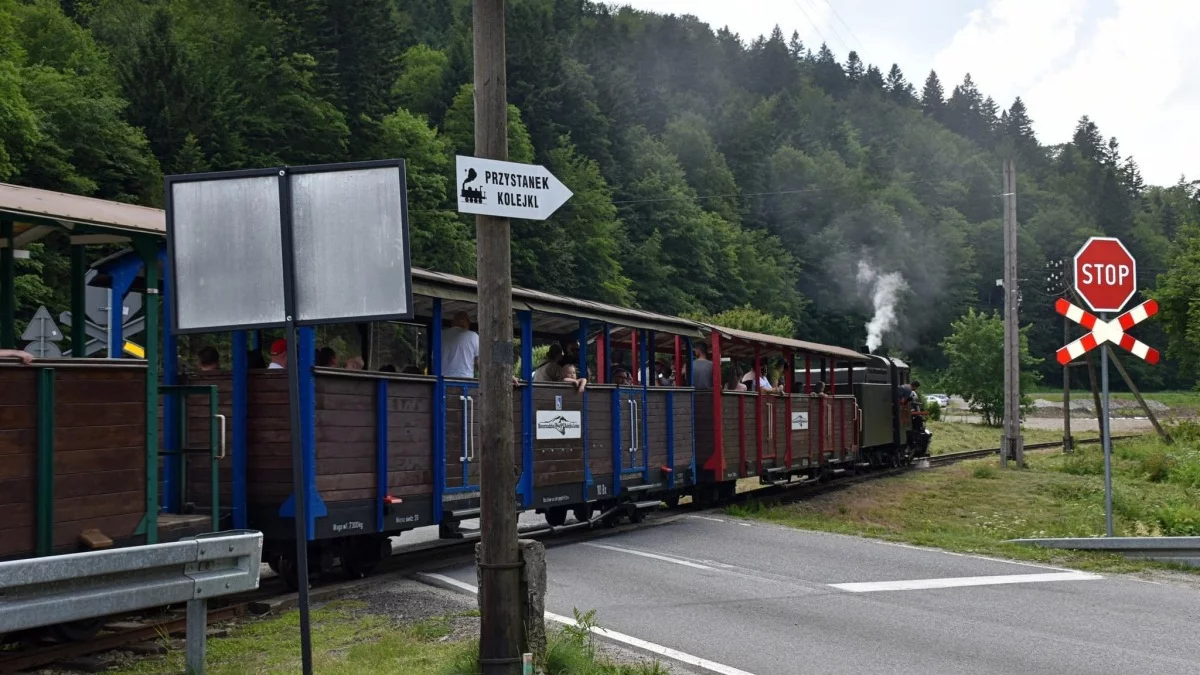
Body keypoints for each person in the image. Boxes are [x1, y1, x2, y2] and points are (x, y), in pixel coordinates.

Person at [441, 311, 478, 379]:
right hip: (466, 380)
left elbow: (434, 360)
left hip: (444, 379)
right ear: (465, 322)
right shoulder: (474, 336)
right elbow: (478, 362)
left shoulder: (441, 335)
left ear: (453, 322)